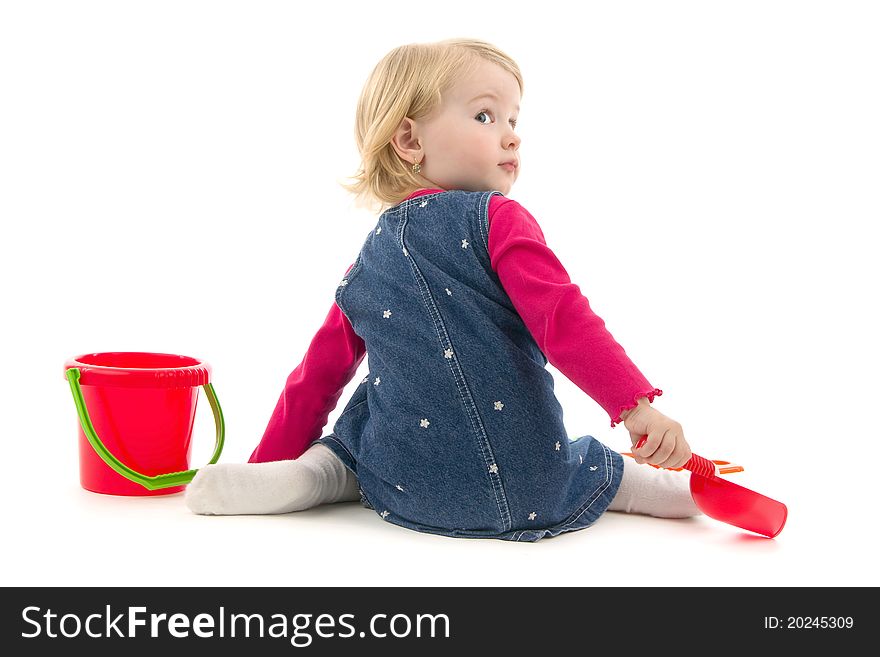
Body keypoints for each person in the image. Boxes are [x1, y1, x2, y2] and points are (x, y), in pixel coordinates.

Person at [185, 38, 701, 541]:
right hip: (535, 485)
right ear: (409, 141)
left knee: (364, 411)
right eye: (485, 116)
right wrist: (635, 407)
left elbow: (315, 377)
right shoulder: (499, 219)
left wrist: (271, 454)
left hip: (413, 487)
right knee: (587, 460)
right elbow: (563, 320)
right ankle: (668, 491)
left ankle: (300, 475)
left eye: (513, 120)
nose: (512, 136)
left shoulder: (366, 265)